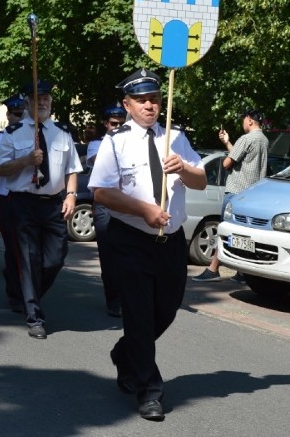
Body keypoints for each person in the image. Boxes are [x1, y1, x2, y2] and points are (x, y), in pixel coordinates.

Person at [88, 68, 205, 422]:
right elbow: (102, 192)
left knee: (165, 309)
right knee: (138, 316)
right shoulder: (114, 142)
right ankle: (149, 390)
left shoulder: (176, 136)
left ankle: (126, 354)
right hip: (132, 239)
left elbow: (200, 180)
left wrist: (183, 167)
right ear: (127, 104)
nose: (150, 106)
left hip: (170, 241)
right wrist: (144, 210)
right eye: (141, 101)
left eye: (154, 99)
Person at [0, 80, 83, 340]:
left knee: (55, 258)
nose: (42, 102)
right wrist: (25, 160)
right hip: (23, 203)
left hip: (54, 203)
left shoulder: (62, 132)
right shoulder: (14, 133)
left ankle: (28, 293)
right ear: (28, 103)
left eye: (46, 98)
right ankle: (34, 317)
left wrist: (71, 196)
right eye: (37, 98)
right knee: (29, 258)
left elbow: (72, 169)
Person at [192, 107, 268, 282]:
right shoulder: (263, 140)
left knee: (225, 230)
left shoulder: (246, 138)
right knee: (244, 234)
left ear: (249, 119)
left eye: (243, 119)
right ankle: (243, 272)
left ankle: (213, 269)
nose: (243, 123)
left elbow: (227, 163)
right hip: (253, 193)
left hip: (235, 193)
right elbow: (242, 158)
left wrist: (227, 153)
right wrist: (227, 142)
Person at [87, 103, 128, 317]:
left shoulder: (132, 143)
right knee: (109, 256)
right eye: (114, 124)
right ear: (106, 124)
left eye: (122, 123)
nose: (118, 127)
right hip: (105, 205)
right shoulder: (97, 144)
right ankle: (114, 300)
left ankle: (129, 297)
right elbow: (97, 161)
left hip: (128, 204)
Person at [0, 95, 26, 312]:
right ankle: (15, 293)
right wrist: (23, 160)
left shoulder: (32, 136)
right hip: (3, 197)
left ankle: (27, 288)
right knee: (14, 248)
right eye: (18, 115)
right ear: (9, 115)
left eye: (24, 114)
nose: (21, 119)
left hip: (26, 197)